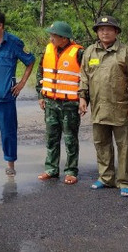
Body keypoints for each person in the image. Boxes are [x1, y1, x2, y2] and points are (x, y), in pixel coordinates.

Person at [79, 15, 128, 197]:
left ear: (116, 32)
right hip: (98, 107)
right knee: (101, 143)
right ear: (97, 32)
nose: (104, 32)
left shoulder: (126, 52)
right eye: (101, 29)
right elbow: (84, 77)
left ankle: (124, 181)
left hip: (121, 107)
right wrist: (82, 97)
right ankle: (106, 177)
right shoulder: (90, 52)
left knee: (124, 147)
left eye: (108, 29)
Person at [0, 11, 35, 176]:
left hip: (6, 95)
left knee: (8, 130)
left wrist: (22, 83)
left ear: (0, 25)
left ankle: (10, 164)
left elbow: (30, 61)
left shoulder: (14, 42)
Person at [35, 21, 85, 185]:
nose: (51, 38)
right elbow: (40, 73)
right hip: (50, 102)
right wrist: (40, 95)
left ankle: (71, 171)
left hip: (70, 104)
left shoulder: (79, 53)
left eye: (54, 36)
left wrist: (84, 99)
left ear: (64, 38)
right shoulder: (48, 50)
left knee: (70, 139)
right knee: (51, 138)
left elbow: (87, 78)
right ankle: (51, 169)